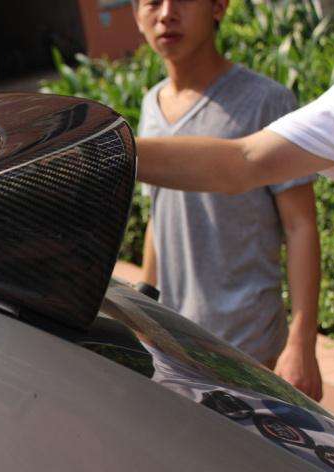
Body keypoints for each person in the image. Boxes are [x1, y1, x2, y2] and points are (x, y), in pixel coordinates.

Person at [133, 0, 322, 400]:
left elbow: (301, 225)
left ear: (218, 6)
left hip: (249, 345)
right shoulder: (150, 104)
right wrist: (145, 301)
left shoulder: (265, 100)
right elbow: (159, 213)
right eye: (151, 2)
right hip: (174, 340)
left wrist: (301, 341)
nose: (166, 14)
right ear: (137, 17)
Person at [136, 81, 334, 192]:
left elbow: (242, 162)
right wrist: (120, 148)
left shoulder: (268, 96)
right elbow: (243, 160)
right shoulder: (151, 101)